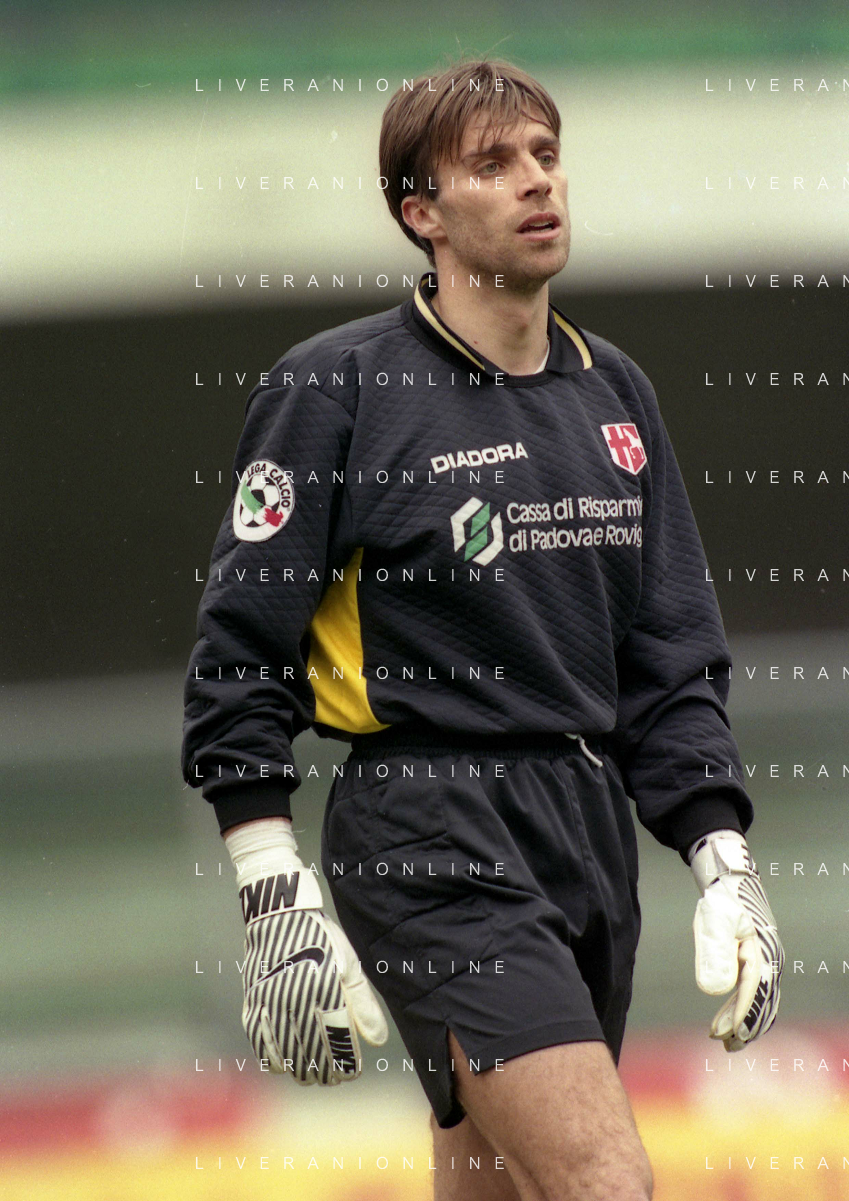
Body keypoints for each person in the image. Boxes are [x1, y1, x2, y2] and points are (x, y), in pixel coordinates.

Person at [182, 58, 784, 1201]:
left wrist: (725, 858)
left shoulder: (617, 391)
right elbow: (240, 649)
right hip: (426, 826)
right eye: (494, 164)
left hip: (586, 826)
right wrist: (268, 879)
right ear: (422, 212)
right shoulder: (335, 389)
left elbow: (668, 656)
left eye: (546, 155)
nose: (536, 181)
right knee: (606, 1181)